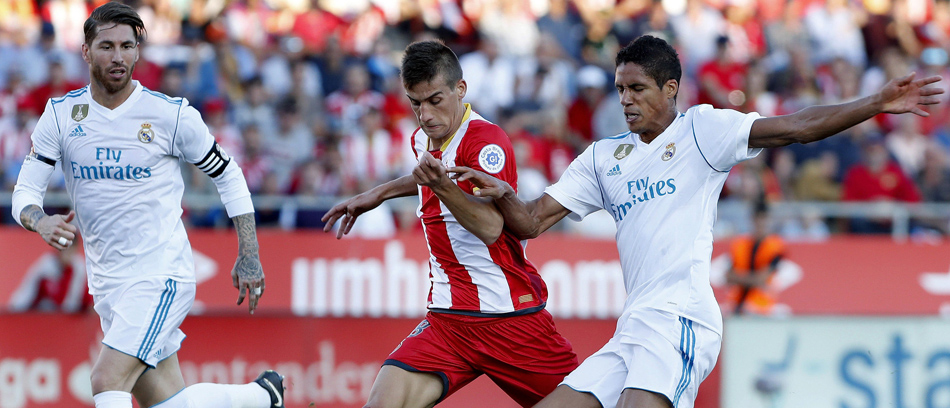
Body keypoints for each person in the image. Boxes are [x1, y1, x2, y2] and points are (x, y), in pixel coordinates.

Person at [449, 35, 943, 408]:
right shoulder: (602, 158)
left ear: (670, 89)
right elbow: (531, 222)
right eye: (620, 89)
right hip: (633, 328)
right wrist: (504, 194)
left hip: (681, 319)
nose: (625, 99)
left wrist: (875, 103)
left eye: (637, 89)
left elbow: (796, 127)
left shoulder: (702, 130)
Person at [10, 3, 285, 408]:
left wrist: (249, 251)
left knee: (106, 380)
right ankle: (263, 396)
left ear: (139, 52)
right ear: (86, 52)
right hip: (108, 284)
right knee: (168, 404)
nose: (118, 56)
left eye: (127, 46)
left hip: (161, 275)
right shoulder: (62, 116)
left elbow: (228, 174)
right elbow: (23, 194)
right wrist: (40, 221)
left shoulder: (170, 116)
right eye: (106, 46)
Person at [321, 40, 578, 408]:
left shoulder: (487, 142)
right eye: (415, 102)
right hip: (447, 320)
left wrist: (441, 186)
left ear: (460, 90)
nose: (424, 114)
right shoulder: (420, 137)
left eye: (434, 100)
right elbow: (428, 173)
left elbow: (490, 227)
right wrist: (377, 194)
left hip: (508, 318)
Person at [725, 200, 786, 316]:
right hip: (736, 303)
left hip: (762, 305)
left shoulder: (776, 247)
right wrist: (754, 280)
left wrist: (738, 278)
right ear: (752, 220)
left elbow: (761, 279)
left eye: (764, 219)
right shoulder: (739, 244)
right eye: (758, 219)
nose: (761, 223)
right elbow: (728, 277)